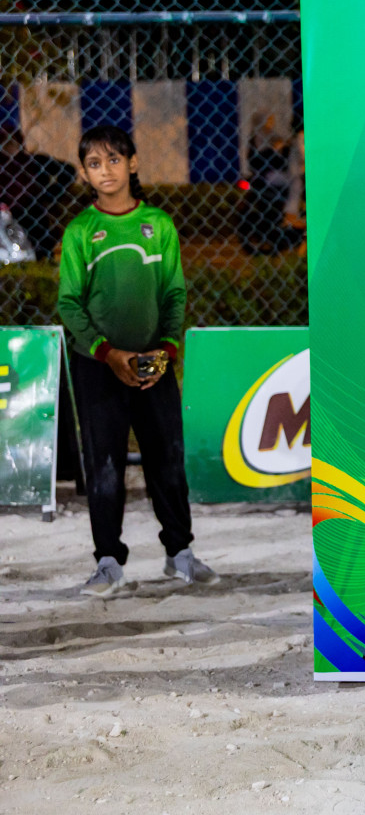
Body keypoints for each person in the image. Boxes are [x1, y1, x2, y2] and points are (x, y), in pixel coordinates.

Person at [57, 125, 217, 596]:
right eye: (93, 163)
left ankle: (179, 552)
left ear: (133, 163)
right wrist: (108, 353)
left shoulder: (159, 226)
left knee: (166, 459)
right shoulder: (81, 232)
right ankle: (108, 561)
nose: (104, 170)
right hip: (99, 366)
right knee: (103, 464)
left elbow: (173, 292)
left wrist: (166, 348)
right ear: (85, 174)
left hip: (154, 365)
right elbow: (69, 303)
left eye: (112, 160)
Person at [0, 121, 76, 259]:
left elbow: (68, 171)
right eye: (4, 140)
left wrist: (50, 194)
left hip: (34, 211)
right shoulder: (3, 165)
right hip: (8, 215)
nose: (9, 144)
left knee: (40, 249)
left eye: (12, 140)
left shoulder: (34, 161)